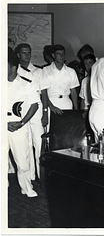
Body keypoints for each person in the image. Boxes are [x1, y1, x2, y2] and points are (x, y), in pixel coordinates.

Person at [7, 47, 39, 197]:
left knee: (23, 160)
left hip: (19, 125)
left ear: (13, 67)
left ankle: (27, 188)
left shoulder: (27, 83)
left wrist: (22, 122)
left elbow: (34, 105)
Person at [15, 43, 46, 180]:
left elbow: (44, 93)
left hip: (37, 109)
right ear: (18, 55)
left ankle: (41, 177)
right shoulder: (14, 71)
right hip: (22, 110)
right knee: (25, 145)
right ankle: (29, 178)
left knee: (39, 144)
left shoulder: (39, 71)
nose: (27, 55)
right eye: (24, 53)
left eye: (29, 52)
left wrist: (45, 113)